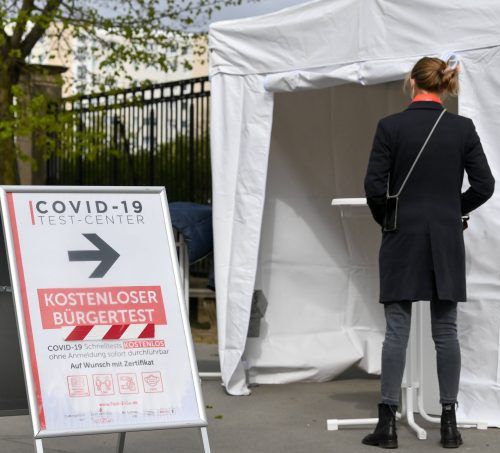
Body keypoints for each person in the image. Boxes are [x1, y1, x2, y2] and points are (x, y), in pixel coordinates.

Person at [362, 56, 495, 449]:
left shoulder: (390, 127)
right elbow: (485, 185)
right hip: (445, 238)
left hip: (401, 235)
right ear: (442, 85)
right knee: (446, 331)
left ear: (412, 82)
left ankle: (387, 425)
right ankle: (449, 424)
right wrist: (453, 211)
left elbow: (373, 187)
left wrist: (388, 219)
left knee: (396, 331)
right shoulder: (462, 128)